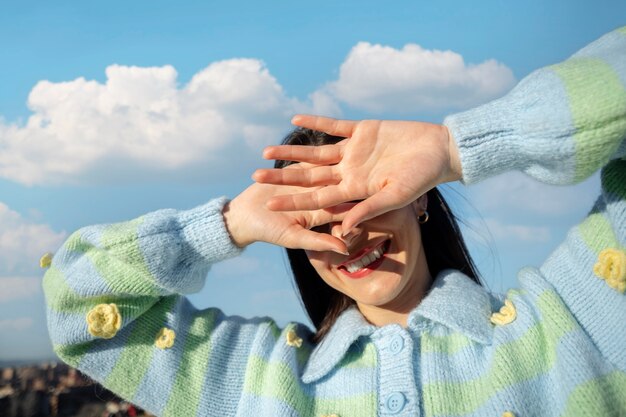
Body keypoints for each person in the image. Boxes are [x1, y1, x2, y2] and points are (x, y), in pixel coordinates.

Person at [43, 27, 626, 417]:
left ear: (419, 198)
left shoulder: (564, 329)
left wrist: (459, 148)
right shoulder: (259, 384)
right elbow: (77, 309)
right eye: (315, 227)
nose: (344, 235)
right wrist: (226, 225)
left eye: (359, 203)